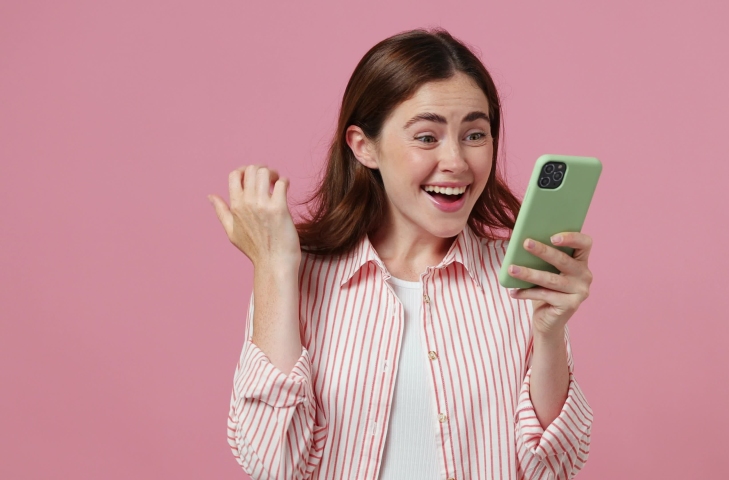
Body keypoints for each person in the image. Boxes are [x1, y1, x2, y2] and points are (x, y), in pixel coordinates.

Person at [209, 29, 593, 480]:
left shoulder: (519, 278)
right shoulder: (300, 277)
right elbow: (270, 463)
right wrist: (274, 269)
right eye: (427, 137)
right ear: (363, 146)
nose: (455, 161)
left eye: (475, 134)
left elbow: (556, 467)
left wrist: (548, 332)